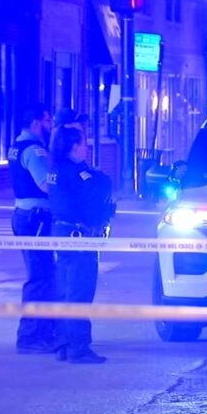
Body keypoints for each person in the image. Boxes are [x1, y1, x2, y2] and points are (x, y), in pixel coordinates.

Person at [48, 126, 116, 364]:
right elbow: (100, 189)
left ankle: (63, 345)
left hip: (62, 234)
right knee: (80, 292)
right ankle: (78, 348)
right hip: (79, 237)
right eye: (84, 143)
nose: (86, 147)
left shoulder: (56, 169)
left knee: (64, 291)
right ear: (74, 147)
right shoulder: (78, 172)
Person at [7, 104, 57, 354]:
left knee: (44, 275)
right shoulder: (35, 151)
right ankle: (30, 337)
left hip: (25, 216)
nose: (51, 126)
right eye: (48, 121)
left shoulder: (17, 146)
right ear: (37, 123)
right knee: (40, 277)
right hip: (36, 218)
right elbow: (46, 184)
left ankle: (43, 332)